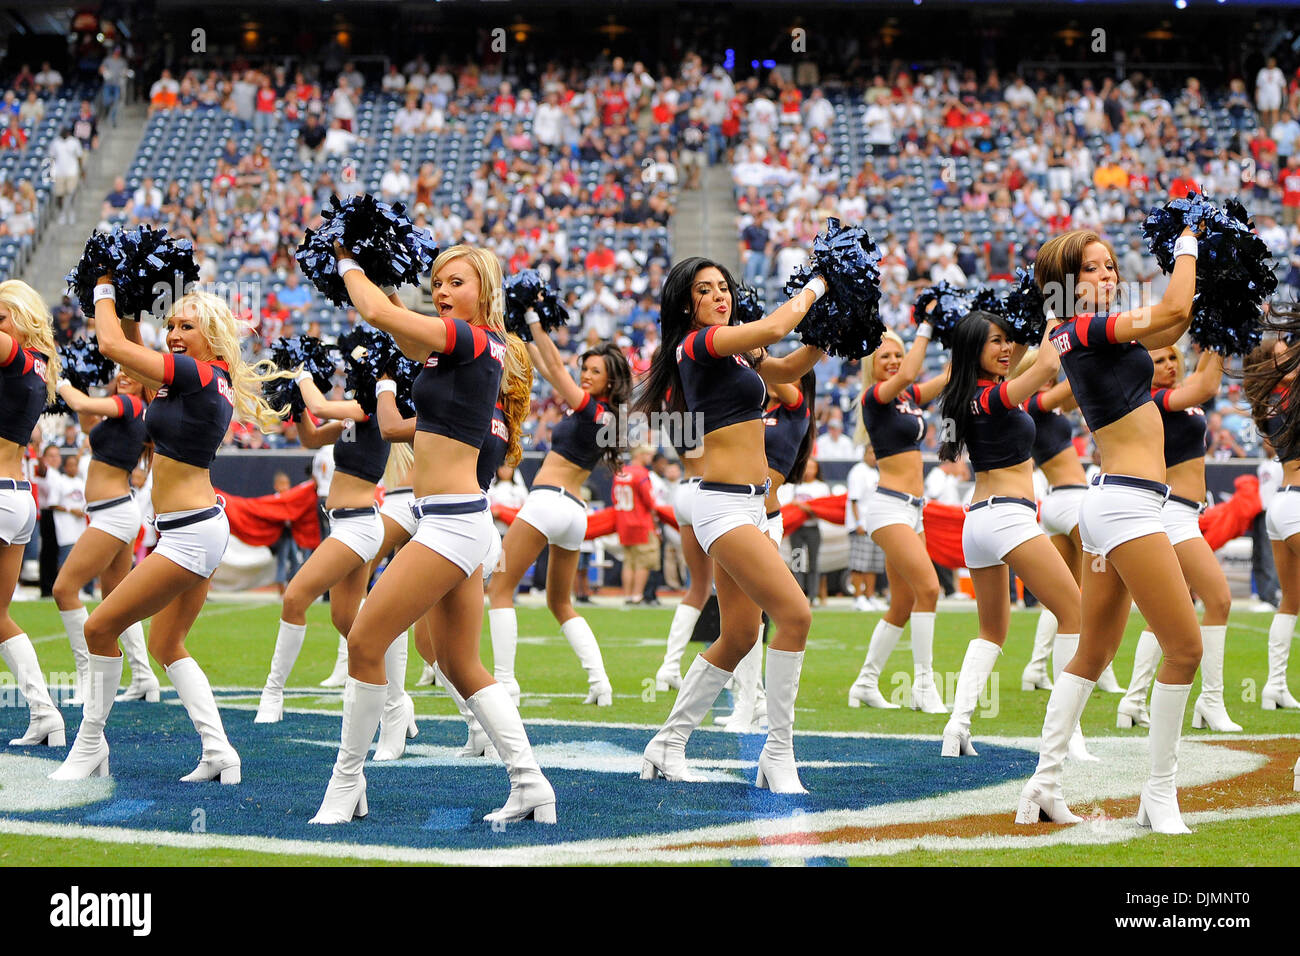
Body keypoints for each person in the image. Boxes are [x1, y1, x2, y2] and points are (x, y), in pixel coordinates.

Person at [311, 244, 554, 825]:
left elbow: (379, 315)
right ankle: (530, 783)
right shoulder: (456, 349)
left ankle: (347, 784)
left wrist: (347, 255)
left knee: (365, 641)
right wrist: (395, 293)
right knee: (459, 662)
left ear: (485, 292)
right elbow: (403, 333)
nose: (443, 291)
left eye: (457, 282)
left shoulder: (475, 338)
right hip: (454, 519)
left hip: (451, 524)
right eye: (437, 283)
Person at [53, 288, 290, 784]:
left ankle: (90, 745)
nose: (175, 334)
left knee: (99, 628)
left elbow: (115, 348)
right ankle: (220, 751)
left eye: (188, 327)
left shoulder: (200, 375)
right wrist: (135, 304)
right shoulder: (197, 379)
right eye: (173, 326)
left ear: (213, 336)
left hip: (189, 535)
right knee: (167, 643)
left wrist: (103, 286)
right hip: (194, 528)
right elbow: (136, 359)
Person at [1017, 225, 1200, 834]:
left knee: (1094, 652)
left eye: (1112, 266)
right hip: (1126, 507)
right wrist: (1190, 241)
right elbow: (1172, 307)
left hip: (1116, 503)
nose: (1109, 276)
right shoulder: (1080, 326)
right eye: (1095, 269)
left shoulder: (1091, 333)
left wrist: (1215, 300)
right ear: (1067, 285)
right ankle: (1159, 794)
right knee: (1185, 647)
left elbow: (1172, 325)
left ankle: (1042, 788)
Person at [633, 256, 822, 792]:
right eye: (705, 290)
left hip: (752, 507)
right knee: (796, 616)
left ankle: (667, 742)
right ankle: (778, 754)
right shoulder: (695, 345)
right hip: (720, 506)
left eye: (724, 288)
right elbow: (774, 326)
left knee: (739, 635)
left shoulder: (739, 357)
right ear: (686, 304)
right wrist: (818, 287)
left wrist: (833, 331)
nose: (720, 296)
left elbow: (786, 372)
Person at [936, 310, 1086, 757]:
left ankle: (956, 727)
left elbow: (1021, 361)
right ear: (972, 351)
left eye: (1007, 340)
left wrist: (1023, 324)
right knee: (1075, 614)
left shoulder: (972, 394)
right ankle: (1067, 736)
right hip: (1007, 518)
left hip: (980, 521)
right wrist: (1056, 318)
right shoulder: (990, 397)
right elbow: (1042, 367)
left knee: (991, 631)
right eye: (994, 342)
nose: (1005, 349)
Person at [485, 326, 632, 706]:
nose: (586, 374)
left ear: (611, 381)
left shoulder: (592, 408)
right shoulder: (610, 417)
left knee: (499, 589)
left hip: (547, 502)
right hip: (574, 513)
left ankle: (505, 684)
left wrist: (535, 320)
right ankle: (600, 683)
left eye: (595, 371)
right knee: (560, 602)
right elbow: (551, 367)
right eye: (585, 368)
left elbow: (553, 366)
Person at [254, 370, 393, 725]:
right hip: (347, 523)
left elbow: (320, 403)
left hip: (358, 524)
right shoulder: (355, 416)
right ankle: (396, 702)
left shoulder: (372, 408)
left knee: (295, 597)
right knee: (347, 622)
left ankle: (273, 691)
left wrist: (300, 375)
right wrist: (296, 406)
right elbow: (312, 436)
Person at [1117, 348, 1239, 732]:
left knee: (1167, 616)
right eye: (1159, 360)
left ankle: (1133, 701)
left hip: (1187, 513)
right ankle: (1211, 701)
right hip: (1172, 512)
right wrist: (1224, 333)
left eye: (1173, 357)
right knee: (1219, 600)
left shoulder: (1176, 395)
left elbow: (1200, 377)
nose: (1169, 364)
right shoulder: (1152, 401)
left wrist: (1209, 340)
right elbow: (1207, 384)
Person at [847, 328, 950, 713]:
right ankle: (924, 685)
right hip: (889, 508)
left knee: (903, 603)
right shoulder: (874, 397)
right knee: (929, 589)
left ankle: (865, 682)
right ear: (871, 365)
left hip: (913, 510)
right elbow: (909, 374)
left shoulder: (907, 397)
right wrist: (924, 326)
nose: (891, 362)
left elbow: (949, 376)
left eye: (896, 355)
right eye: (884, 356)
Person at [53, 373, 159, 704]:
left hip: (111, 513)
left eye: (132, 371)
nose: (124, 374)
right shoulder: (128, 410)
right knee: (115, 600)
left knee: (64, 590)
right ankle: (143, 677)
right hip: (118, 510)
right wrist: (80, 383)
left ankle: (88, 679)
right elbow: (87, 422)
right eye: (120, 370)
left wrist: (61, 381)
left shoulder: (129, 403)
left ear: (145, 382)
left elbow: (82, 404)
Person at [723, 368, 816, 732]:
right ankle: (755, 700)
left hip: (765, 517)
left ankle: (749, 704)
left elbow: (777, 377)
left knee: (751, 613)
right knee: (738, 615)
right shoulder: (754, 406)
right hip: (736, 513)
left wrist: (751, 353)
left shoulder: (796, 408)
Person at [0, 281, 65, 748]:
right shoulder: (37, 368)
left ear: (21, 321)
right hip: (18, 497)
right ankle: (45, 713)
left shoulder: (17, 357)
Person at [1245, 334, 1300, 712]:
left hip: (1282, 504)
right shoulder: (1288, 399)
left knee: (1290, 602)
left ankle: (1274, 687)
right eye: (1285, 358)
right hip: (1296, 503)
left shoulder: (1269, 402)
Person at [614, 444, 660, 605]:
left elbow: (614, 499)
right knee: (643, 562)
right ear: (641, 455)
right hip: (641, 523)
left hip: (624, 522)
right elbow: (650, 500)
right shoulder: (641, 473)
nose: (650, 458)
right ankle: (637, 595)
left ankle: (627, 595)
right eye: (648, 455)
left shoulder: (621, 473)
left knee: (628, 562)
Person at [846, 444, 886, 611]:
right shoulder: (858, 471)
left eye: (876, 453)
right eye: (870, 453)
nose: (873, 456)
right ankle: (858, 598)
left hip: (874, 524)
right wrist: (858, 523)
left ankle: (870, 596)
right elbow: (854, 499)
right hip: (861, 525)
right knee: (859, 564)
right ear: (864, 454)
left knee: (873, 564)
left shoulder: (876, 472)